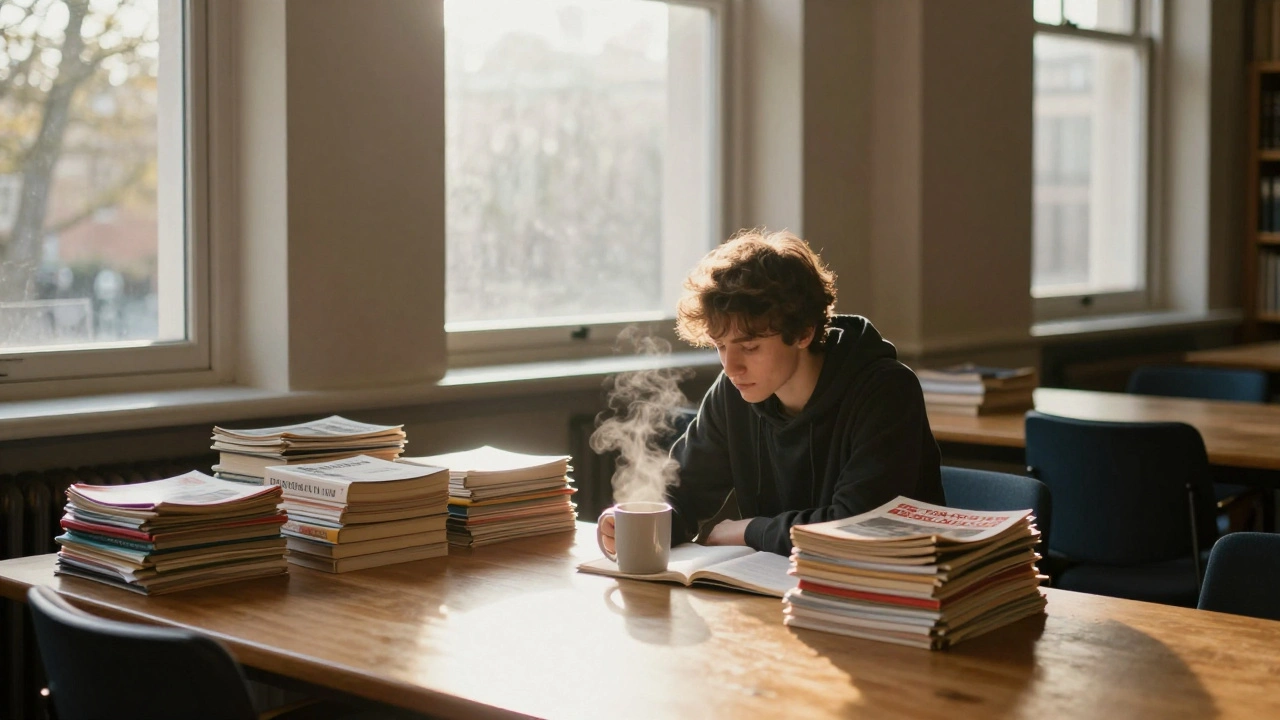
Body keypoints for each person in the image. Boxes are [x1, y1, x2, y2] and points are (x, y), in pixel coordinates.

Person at [599, 229, 943, 556]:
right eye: (720, 345)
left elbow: (858, 525)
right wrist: (629, 522)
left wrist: (750, 531)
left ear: (804, 333)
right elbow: (682, 494)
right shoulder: (735, 393)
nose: (731, 367)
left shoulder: (885, 392)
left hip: (887, 597)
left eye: (750, 347)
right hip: (774, 591)